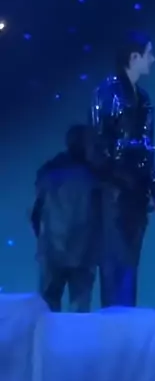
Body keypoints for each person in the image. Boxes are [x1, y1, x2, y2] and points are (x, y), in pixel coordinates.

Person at [90, 32, 155, 308]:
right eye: (149, 53)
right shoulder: (107, 92)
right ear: (134, 57)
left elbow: (148, 147)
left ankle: (124, 319)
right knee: (115, 260)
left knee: (130, 261)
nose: (153, 59)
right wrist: (121, 168)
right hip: (114, 191)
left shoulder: (144, 99)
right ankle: (113, 322)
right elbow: (98, 143)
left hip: (136, 192)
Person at [31, 125, 100, 312]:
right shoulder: (94, 177)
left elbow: (36, 212)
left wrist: (43, 240)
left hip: (52, 249)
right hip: (83, 252)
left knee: (48, 307)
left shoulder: (48, 171)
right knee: (79, 309)